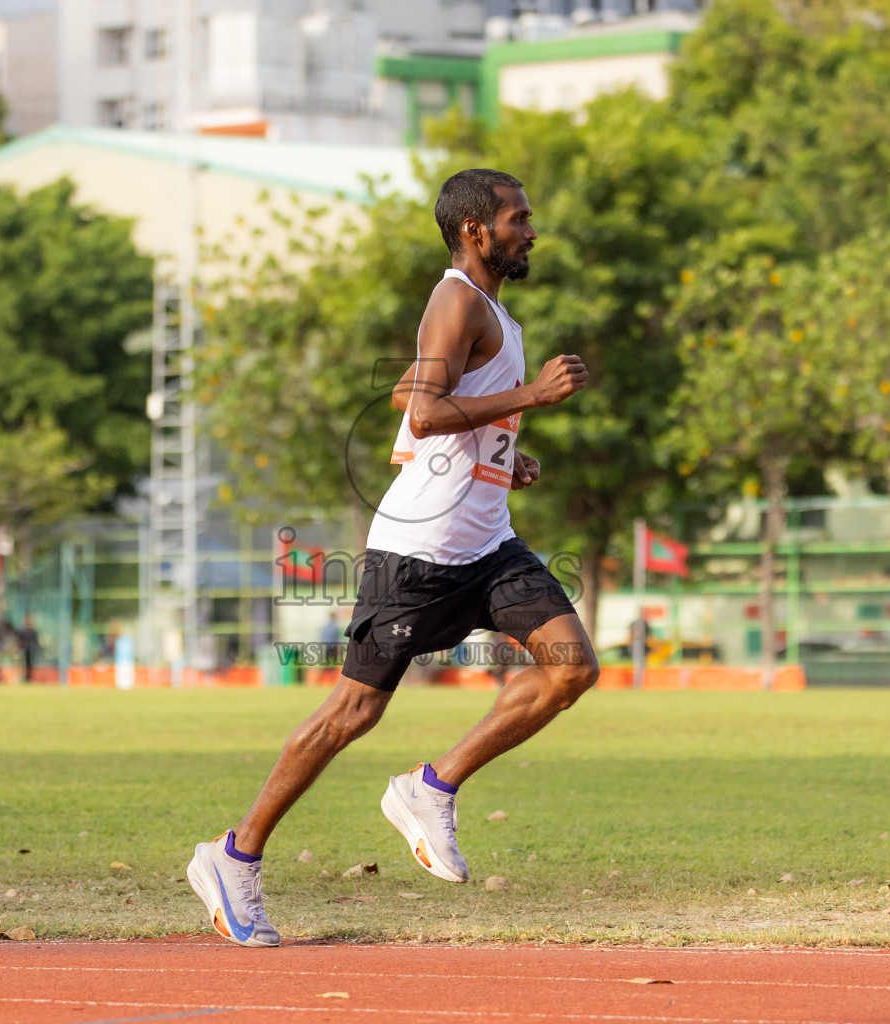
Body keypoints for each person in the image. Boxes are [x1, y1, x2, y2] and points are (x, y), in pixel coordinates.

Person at [187, 168, 598, 947]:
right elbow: (422, 409)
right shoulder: (455, 298)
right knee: (354, 711)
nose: (531, 230)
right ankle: (233, 855)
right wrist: (531, 401)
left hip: (486, 542)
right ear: (475, 230)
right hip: (420, 550)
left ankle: (431, 785)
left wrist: (503, 453)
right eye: (519, 218)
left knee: (571, 666)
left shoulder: (493, 314)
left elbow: (407, 417)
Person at [16, 615, 41, 683]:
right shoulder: (21, 630)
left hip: (30, 651)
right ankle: (22, 677)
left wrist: (39, 648)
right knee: (21, 664)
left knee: (29, 664)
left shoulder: (32, 631)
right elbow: (17, 640)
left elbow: (36, 641)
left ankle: (29, 678)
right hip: (22, 650)